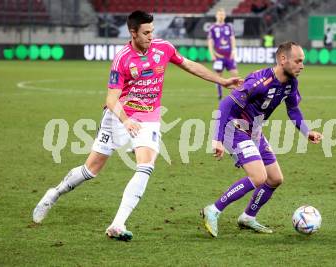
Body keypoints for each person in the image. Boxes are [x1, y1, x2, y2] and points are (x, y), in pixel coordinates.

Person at [32, 10, 242, 242]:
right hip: (119, 115)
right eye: (146, 33)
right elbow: (111, 99)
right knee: (91, 169)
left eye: (152, 31)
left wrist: (222, 80)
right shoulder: (122, 58)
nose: (151, 36)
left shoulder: (163, 48)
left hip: (149, 117)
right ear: (133, 32)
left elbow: (190, 65)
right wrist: (126, 120)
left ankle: (118, 223)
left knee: (146, 165)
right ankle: (54, 193)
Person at [201, 41, 323, 237]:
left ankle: (247, 217)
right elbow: (225, 105)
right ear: (283, 60)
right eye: (298, 61)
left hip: (254, 131)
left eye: (302, 61)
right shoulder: (259, 81)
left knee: (275, 178)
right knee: (259, 177)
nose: (302, 65)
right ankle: (213, 210)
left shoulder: (291, 83)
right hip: (235, 128)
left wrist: (306, 131)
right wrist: (217, 138)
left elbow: (293, 109)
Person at [207, 8, 239, 100]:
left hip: (229, 56)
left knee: (235, 74)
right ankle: (220, 95)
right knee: (218, 77)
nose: (221, 16)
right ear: (216, 15)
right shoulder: (213, 27)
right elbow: (210, 41)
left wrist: (233, 50)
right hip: (218, 56)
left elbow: (232, 39)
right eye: (219, 14)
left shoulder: (228, 26)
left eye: (222, 14)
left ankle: (235, 95)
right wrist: (212, 53)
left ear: (224, 16)